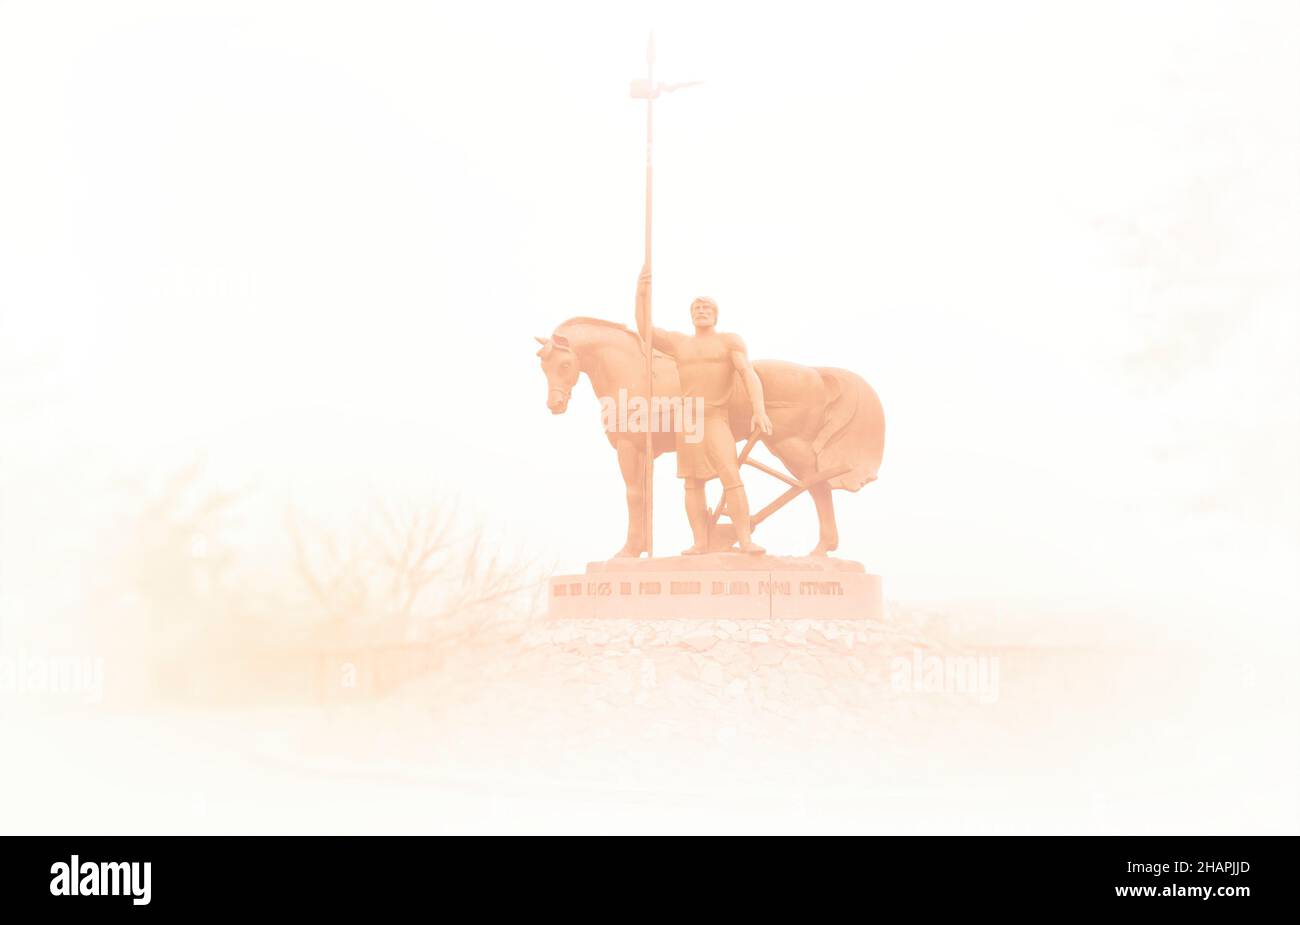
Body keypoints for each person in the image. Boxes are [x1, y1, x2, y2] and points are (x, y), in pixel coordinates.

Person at [635, 266, 772, 554]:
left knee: (731, 476)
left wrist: (759, 409)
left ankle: (745, 539)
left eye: (707, 307)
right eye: (697, 307)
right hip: (688, 419)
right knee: (691, 483)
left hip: (714, 416)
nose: (701, 310)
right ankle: (700, 541)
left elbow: (748, 373)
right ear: (691, 315)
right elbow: (643, 328)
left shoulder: (729, 341)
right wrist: (641, 292)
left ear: (716, 314)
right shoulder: (679, 343)